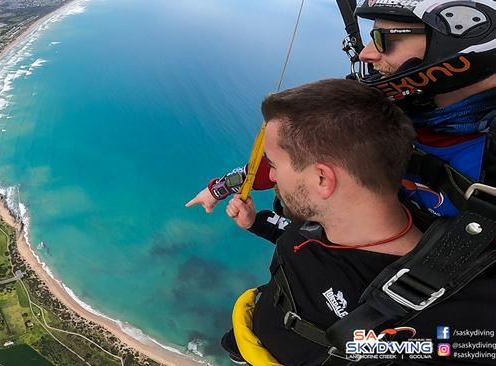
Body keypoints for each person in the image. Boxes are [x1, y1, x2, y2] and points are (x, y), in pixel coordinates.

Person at [219, 79, 496, 365]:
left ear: (322, 179)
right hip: (252, 338)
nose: (272, 178)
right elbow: (300, 242)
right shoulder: (319, 219)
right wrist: (256, 224)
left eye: (274, 166)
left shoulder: (462, 313)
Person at [185, 0, 496, 228]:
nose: (366, 54)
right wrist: (221, 188)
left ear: (459, 43)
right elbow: (293, 161)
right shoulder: (379, 114)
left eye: (384, 40)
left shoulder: (481, 154)